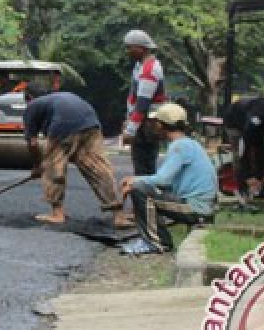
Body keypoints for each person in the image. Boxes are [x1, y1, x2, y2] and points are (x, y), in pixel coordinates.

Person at [23, 89, 134, 228]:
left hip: (63, 124)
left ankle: (57, 214)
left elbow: (32, 143)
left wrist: (38, 165)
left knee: (53, 168)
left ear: (29, 98)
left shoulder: (32, 106)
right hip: (91, 122)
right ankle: (118, 215)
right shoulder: (56, 99)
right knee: (98, 168)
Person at [118, 103, 217, 255]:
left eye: (154, 123)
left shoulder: (180, 146)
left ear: (160, 125)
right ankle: (152, 238)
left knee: (139, 190)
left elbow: (163, 180)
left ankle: (155, 242)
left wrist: (134, 181)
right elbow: (167, 181)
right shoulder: (189, 144)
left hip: (196, 208)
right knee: (141, 186)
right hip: (202, 207)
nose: (152, 126)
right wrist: (137, 179)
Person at [121, 29, 167, 175]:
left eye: (130, 47)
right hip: (143, 123)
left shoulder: (149, 69)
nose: (127, 51)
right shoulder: (140, 66)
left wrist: (131, 130)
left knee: (144, 169)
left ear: (141, 48)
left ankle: (144, 197)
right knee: (143, 167)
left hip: (147, 125)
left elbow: (142, 104)